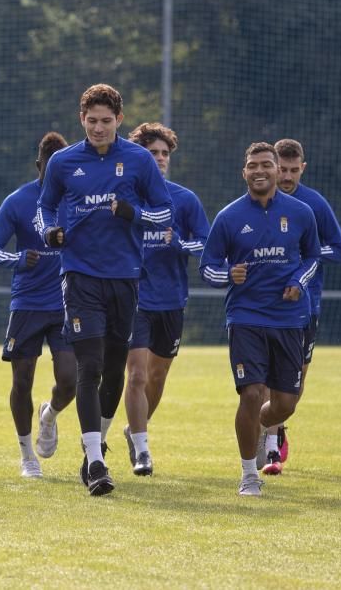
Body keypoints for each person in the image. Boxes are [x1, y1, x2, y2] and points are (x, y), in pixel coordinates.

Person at [36, 84, 173, 496]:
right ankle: (96, 461)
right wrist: (50, 233)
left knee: (114, 369)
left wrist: (134, 213)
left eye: (106, 121)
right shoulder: (63, 162)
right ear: (82, 120)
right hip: (79, 275)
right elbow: (43, 209)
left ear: (119, 120)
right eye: (92, 120)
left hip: (125, 278)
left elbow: (165, 212)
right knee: (90, 366)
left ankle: (93, 448)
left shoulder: (137, 161)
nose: (98, 127)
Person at [199, 142, 320, 497]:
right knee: (251, 394)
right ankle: (249, 474)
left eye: (266, 164)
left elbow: (312, 257)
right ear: (244, 172)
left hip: (289, 320)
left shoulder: (301, 213)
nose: (260, 170)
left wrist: (299, 281)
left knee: (285, 403)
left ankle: (261, 427)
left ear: (276, 168)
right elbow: (207, 267)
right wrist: (227, 275)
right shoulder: (229, 217)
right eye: (253, 165)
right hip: (246, 317)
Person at [0, 132, 77, 479]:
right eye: (49, 167)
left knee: (71, 380)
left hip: (69, 301)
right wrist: (19, 258)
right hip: (28, 304)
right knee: (22, 380)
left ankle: (49, 415)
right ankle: (27, 457)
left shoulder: (78, 200)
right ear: (39, 166)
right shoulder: (18, 201)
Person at [118, 123, 210, 477]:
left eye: (164, 154)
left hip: (171, 300)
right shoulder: (125, 201)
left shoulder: (184, 200)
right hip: (134, 298)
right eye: (152, 153)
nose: (159, 159)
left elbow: (205, 245)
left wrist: (178, 244)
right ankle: (143, 449)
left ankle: (132, 430)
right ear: (140, 157)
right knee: (137, 375)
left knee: (157, 376)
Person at [257, 138, 341, 474]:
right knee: (264, 376)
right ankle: (269, 444)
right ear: (272, 166)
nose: (288, 176)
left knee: (292, 386)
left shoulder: (314, 204)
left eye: (295, 170)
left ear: (303, 168)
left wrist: (304, 253)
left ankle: (276, 425)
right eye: (283, 169)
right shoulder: (259, 202)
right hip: (265, 308)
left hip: (306, 308)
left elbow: (339, 250)